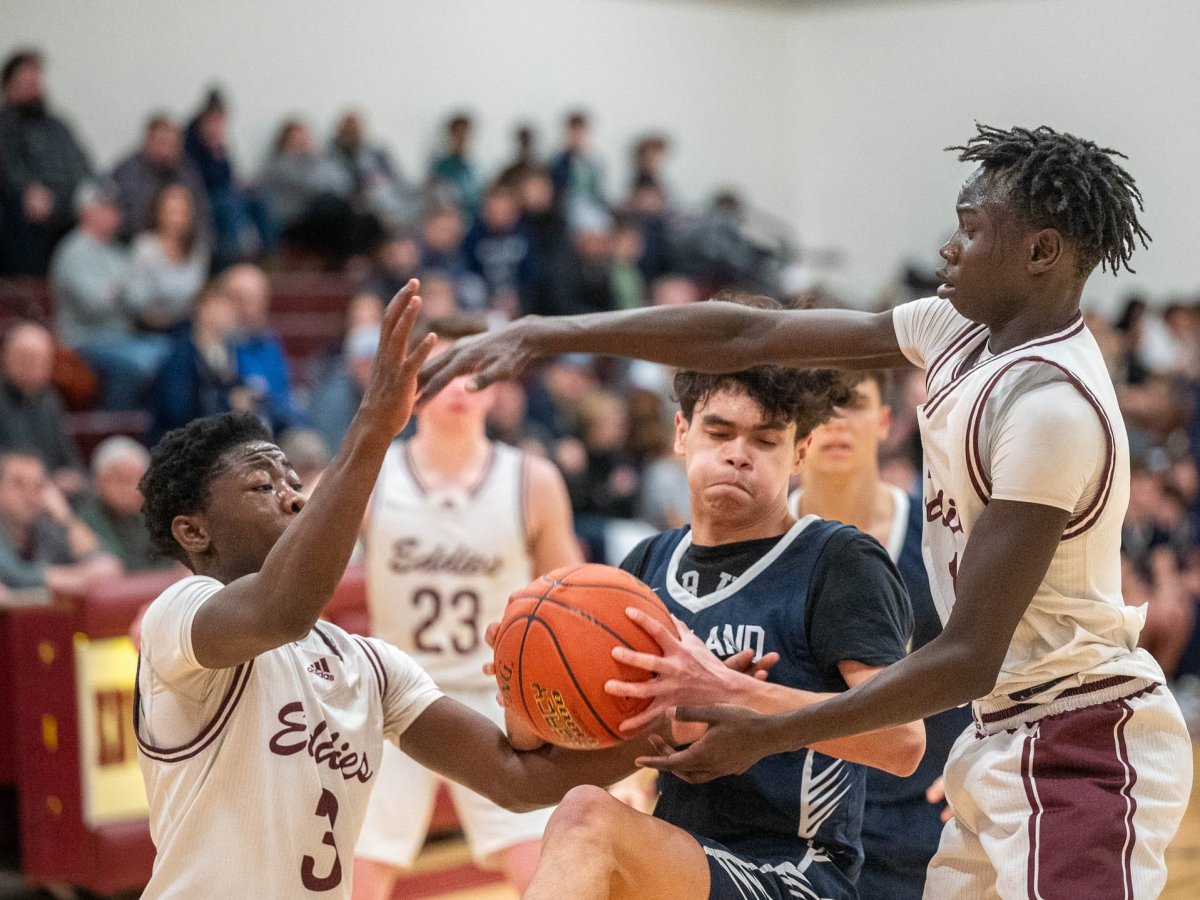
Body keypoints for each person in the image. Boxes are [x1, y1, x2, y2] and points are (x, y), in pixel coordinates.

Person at [421, 123, 1195, 897]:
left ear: (1040, 252)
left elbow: (967, 656)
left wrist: (763, 725)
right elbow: (750, 332)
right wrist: (547, 333)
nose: (948, 249)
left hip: (1079, 735)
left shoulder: (1051, 410)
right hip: (1000, 732)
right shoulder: (954, 330)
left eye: (970, 229)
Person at [132, 282, 669, 898]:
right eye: (263, 485)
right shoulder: (179, 613)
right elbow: (283, 607)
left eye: (294, 479)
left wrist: (672, 728)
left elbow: (517, 776)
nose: (298, 494)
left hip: (471, 679)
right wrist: (374, 426)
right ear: (193, 531)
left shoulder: (370, 667)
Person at [516, 303, 923, 899]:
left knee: (587, 819)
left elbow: (903, 742)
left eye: (765, 439)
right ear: (682, 432)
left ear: (800, 452)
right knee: (586, 812)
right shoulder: (645, 568)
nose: (739, 454)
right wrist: (525, 689)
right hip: (681, 859)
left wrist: (736, 697)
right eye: (720, 431)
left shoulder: (838, 561)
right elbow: (568, 752)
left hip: (798, 873)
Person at [353, 314, 582, 898]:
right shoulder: (370, 474)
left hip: (497, 698)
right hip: (394, 692)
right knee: (356, 877)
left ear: (498, 384)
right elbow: (283, 558)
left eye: (473, 372)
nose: (458, 388)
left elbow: (575, 601)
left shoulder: (532, 479)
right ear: (411, 383)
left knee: (543, 871)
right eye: (441, 373)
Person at [790, 370, 971, 899]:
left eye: (849, 402)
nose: (833, 420)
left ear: (885, 421)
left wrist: (985, 762)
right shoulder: (763, 541)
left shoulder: (943, 535)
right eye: (816, 403)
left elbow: (1006, 654)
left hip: (927, 818)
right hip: (795, 823)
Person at [49, 179, 170, 408]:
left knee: (171, 353)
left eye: (116, 208)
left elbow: (142, 296)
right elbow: (93, 304)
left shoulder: (116, 251)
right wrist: (123, 292)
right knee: (139, 362)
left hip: (122, 336)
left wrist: (115, 291)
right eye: (108, 207)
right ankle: (114, 425)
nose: (116, 214)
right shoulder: (72, 252)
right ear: (88, 211)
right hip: (83, 340)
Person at [0, 49, 92, 275]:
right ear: (10, 86)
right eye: (26, 82)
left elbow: (82, 162)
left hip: (69, 206)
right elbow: (9, 167)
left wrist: (88, 196)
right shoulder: (5, 125)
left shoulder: (58, 125)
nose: (34, 88)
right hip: (29, 212)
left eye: (36, 81)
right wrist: (27, 190)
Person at [0, 450, 121, 591]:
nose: (30, 494)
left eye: (39, 485)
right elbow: (12, 575)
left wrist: (66, 518)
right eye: (18, 484)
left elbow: (107, 564)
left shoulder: (46, 527)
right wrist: (81, 576)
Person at [0, 321, 85, 494]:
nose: (29, 364)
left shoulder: (51, 401)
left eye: (37, 358)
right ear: (5, 357)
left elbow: (70, 459)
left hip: (51, 492)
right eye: (22, 357)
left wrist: (72, 476)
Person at [222, 263, 301, 432]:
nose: (249, 308)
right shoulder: (217, 345)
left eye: (256, 299)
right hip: (229, 430)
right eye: (241, 299)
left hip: (274, 427)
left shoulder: (270, 343)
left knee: (307, 445)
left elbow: (282, 395)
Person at [76, 436, 171, 572]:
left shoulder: (151, 514)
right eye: (122, 480)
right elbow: (117, 564)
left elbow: (170, 561)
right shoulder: (85, 520)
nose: (132, 489)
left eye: (139, 480)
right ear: (98, 481)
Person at [126, 182, 210, 333]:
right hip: (150, 330)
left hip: (189, 325)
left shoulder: (199, 249)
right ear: (158, 212)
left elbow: (198, 297)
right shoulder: (145, 248)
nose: (176, 218)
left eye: (182, 212)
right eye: (171, 211)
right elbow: (137, 303)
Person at [110, 115, 208, 241]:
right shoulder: (127, 172)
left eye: (172, 144)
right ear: (147, 141)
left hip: (181, 249)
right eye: (162, 143)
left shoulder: (187, 172)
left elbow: (201, 214)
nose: (166, 151)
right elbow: (124, 218)